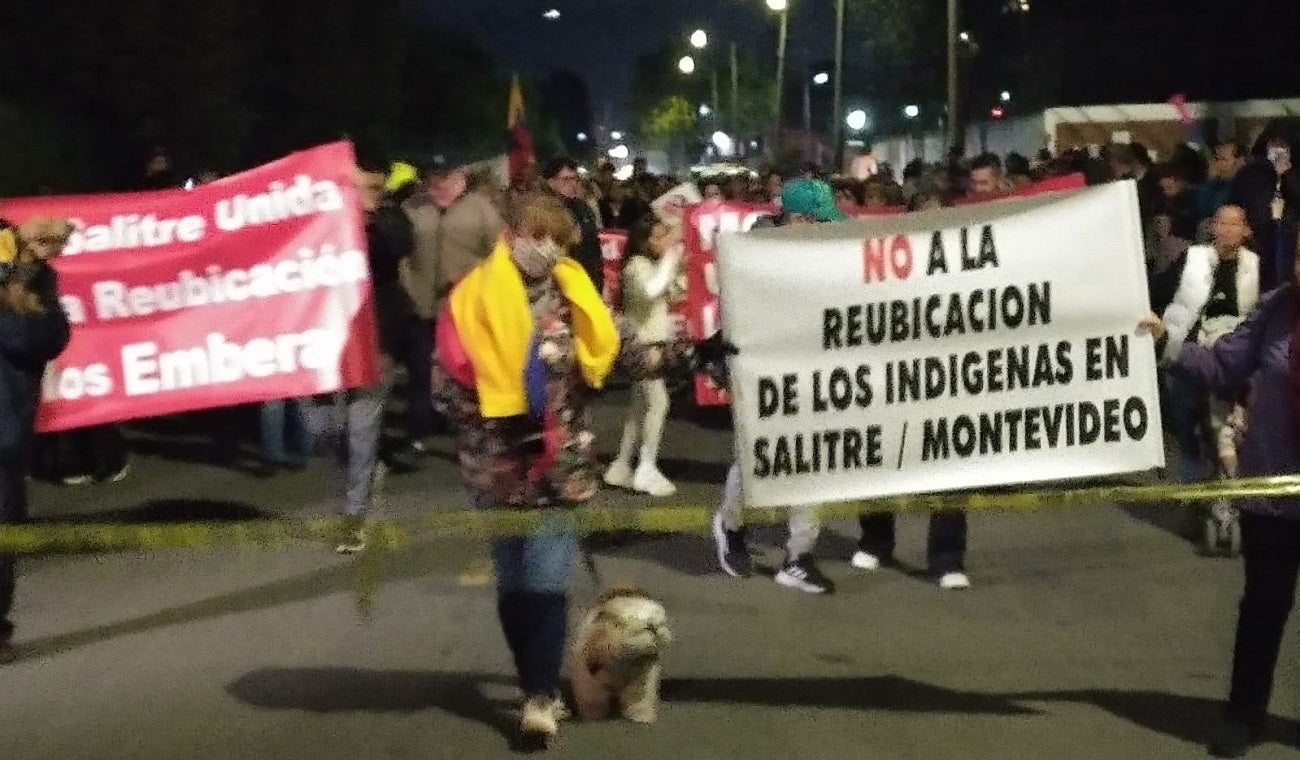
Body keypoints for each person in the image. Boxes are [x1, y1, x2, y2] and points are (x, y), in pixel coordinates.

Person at [431, 191, 727, 745]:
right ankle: (533, 681)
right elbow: (443, 393)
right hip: (494, 471)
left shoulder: (575, 298)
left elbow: (626, 352)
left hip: (562, 470)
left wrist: (695, 351)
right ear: (512, 234)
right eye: (538, 237)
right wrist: (501, 409)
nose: (547, 251)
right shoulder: (466, 303)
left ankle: (539, 699)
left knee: (544, 585)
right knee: (514, 590)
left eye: (559, 242)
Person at [1139, 234, 1300, 757]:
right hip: (1273, 494)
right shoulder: (1277, 307)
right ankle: (1243, 716)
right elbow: (1226, 365)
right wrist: (1169, 342)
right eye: (1299, 254)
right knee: (1263, 608)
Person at [712, 179, 845, 595]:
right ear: (800, 219)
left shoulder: (816, 256)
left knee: (812, 460)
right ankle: (730, 526)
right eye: (823, 222)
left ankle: (799, 556)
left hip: (810, 368)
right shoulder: (750, 259)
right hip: (760, 369)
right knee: (757, 457)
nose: (831, 231)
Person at [300, 156, 404, 554]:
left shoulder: (388, 222)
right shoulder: (318, 226)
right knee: (320, 428)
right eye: (359, 188)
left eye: (372, 188)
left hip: (375, 343)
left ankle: (353, 514)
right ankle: (360, 473)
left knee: (361, 428)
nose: (367, 195)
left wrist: (368, 217)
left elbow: (398, 244)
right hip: (326, 341)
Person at [0, 218, 73, 664]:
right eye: (43, 242)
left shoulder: (36, 279)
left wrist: (22, 284)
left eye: (56, 245)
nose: (51, 251)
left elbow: (48, 339)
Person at [401, 153, 503, 455]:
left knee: (463, 370)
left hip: (464, 310)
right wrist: (408, 286)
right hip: (421, 306)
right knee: (420, 370)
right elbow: (403, 255)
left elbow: (496, 257)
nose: (438, 180)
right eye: (433, 174)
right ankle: (418, 430)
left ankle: (467, 430)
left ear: (459, 174)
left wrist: (480, 290)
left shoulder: (482, 210)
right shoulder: (414, 208)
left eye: (444, 174)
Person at [603, 217, 686, 496]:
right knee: (658, 403)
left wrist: (678, 267)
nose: (665, 241)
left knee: (639, 407)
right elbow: (651, 290)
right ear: (644, 241)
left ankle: (622, 464)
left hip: (652, 343)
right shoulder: (636, 266)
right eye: (659, 237)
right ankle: (646, 467)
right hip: (642, 345)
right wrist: (672, 258)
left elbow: (671, 292)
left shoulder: (650, 264)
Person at [541, 157, 603, 287]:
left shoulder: (584, 208)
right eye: (566, 179)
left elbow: (595, 247)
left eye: (575, 179)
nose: (573, 184)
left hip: (589, 278)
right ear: (551, 182)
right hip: (559, 281)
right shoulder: (543, 212)